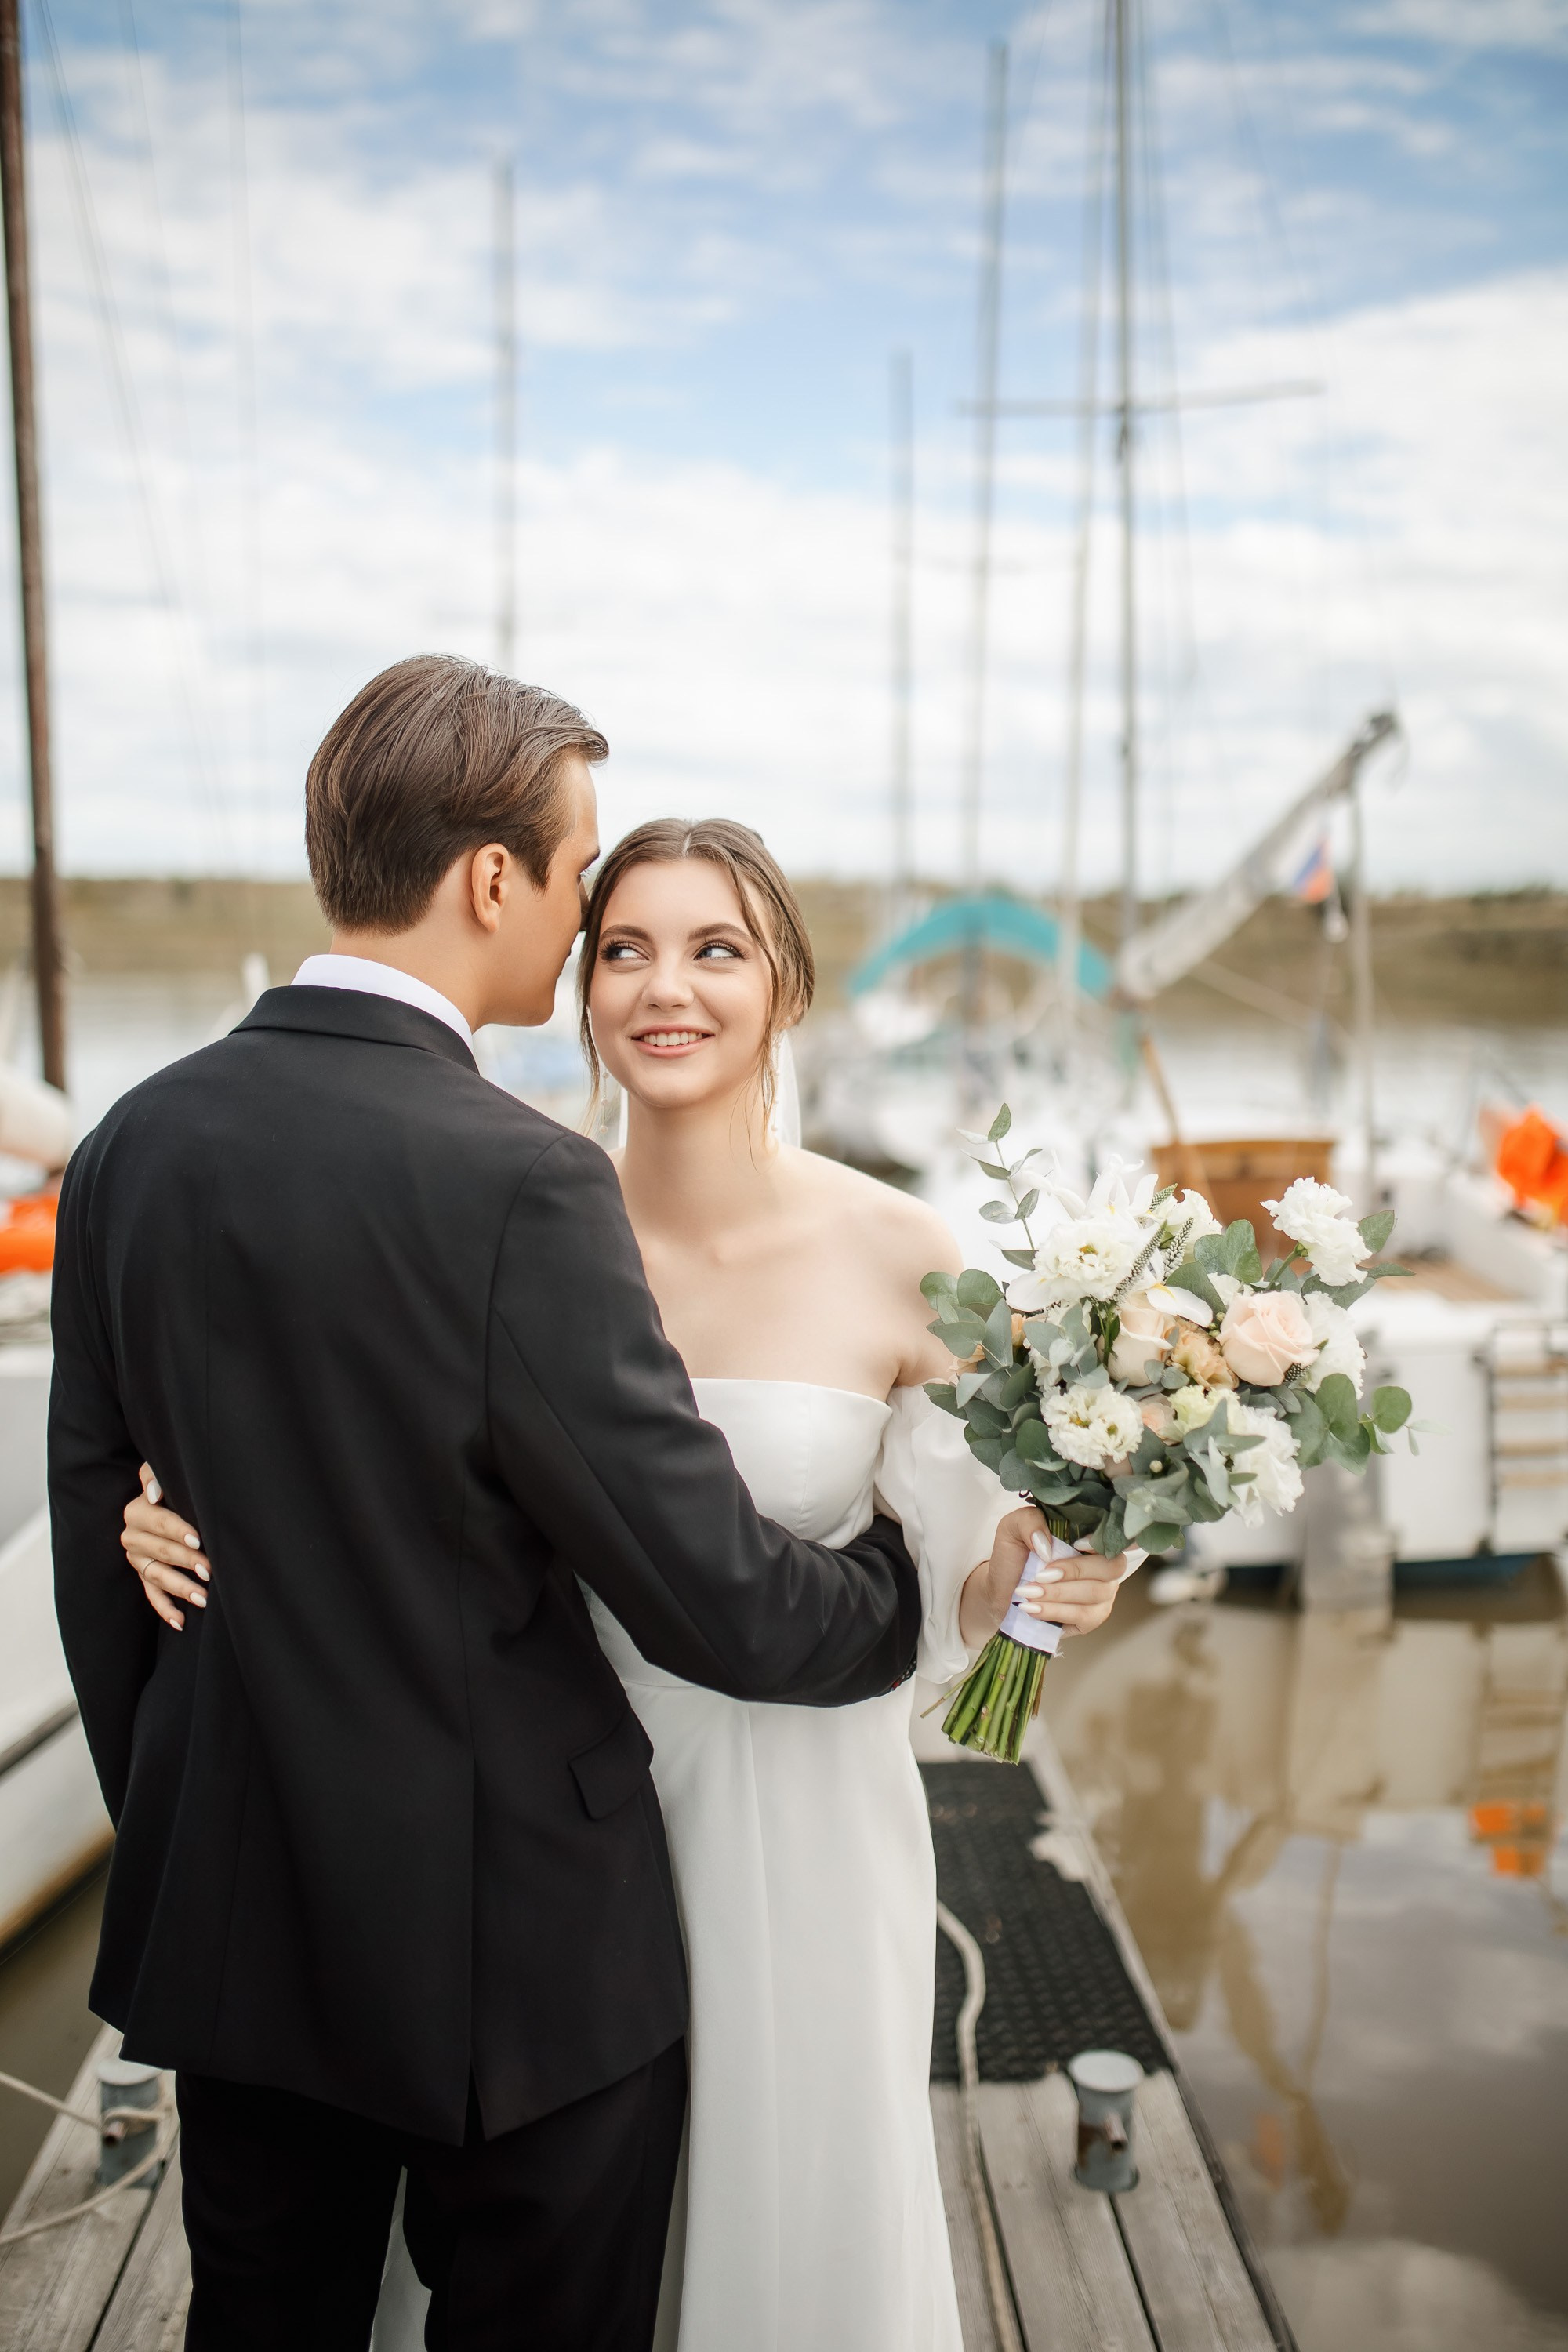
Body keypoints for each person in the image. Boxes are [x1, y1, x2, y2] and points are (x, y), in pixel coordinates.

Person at [50, 654, 1050, 2352]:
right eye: (589, 882)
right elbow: (713, 1592)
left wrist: (186, 1826)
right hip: (516, 1931)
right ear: (496, 879)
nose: (600, 928)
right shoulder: (518, 1177)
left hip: (233, 1915)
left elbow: (102, 1540)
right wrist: (891, 1589)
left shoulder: (137, 1141)